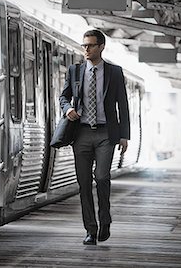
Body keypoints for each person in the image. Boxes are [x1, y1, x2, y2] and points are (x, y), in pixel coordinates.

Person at [59, 29, 130, 245]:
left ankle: (105, 220)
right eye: (84, 46)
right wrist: (67, 108)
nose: (86, 49)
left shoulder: (115, 72)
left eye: (90, 45)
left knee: (101, 177)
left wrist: (124, 136)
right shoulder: (75, 70)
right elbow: (64, 96)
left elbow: (123, 105)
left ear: (101, 47)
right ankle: (90, 229)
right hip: (80, 133)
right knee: (83, 183)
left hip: (105, 133)